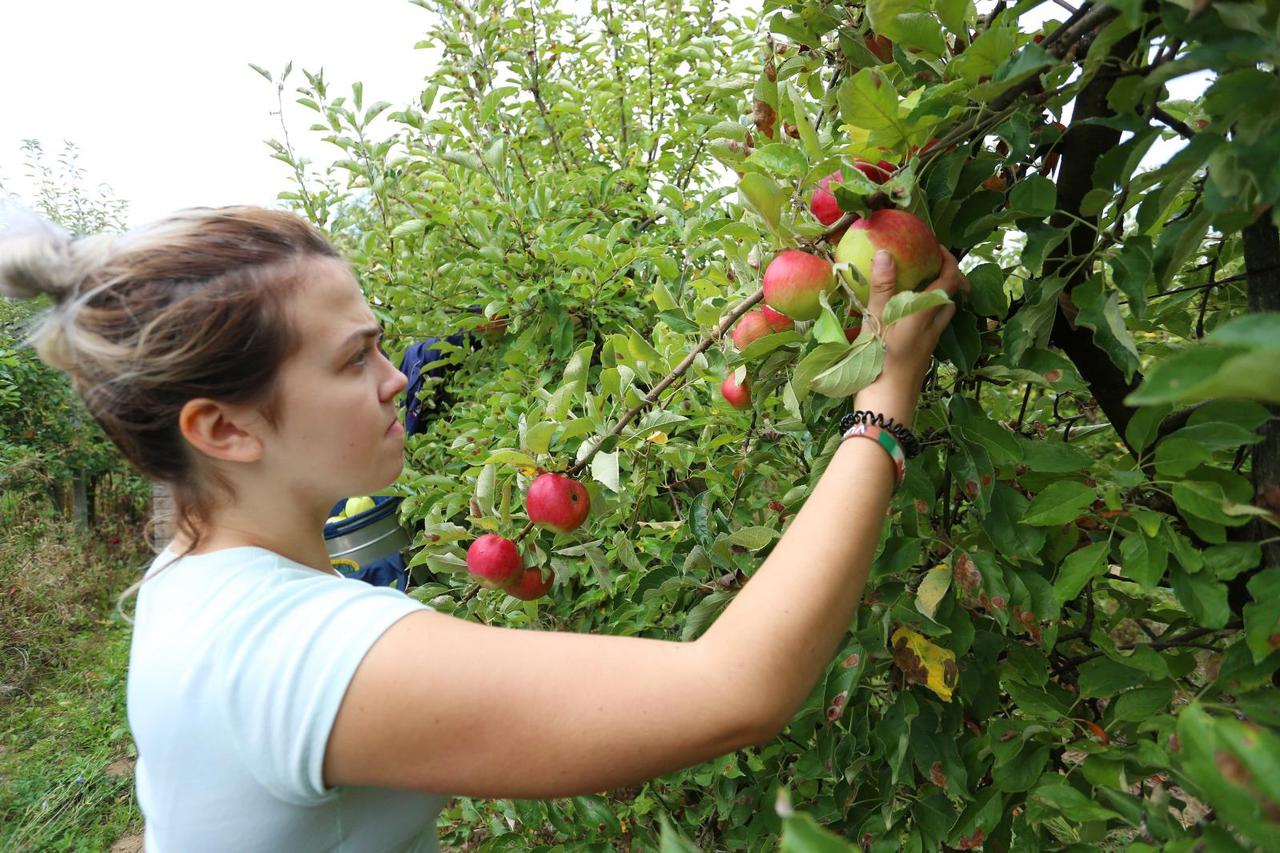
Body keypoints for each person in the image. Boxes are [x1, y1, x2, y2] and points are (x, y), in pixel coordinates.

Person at [0, 202, 967, 852]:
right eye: (354, 360)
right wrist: (885, 396)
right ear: (223, 428)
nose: (395, 381)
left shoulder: (192, 576)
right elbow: (739, 687)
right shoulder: (291, 653)